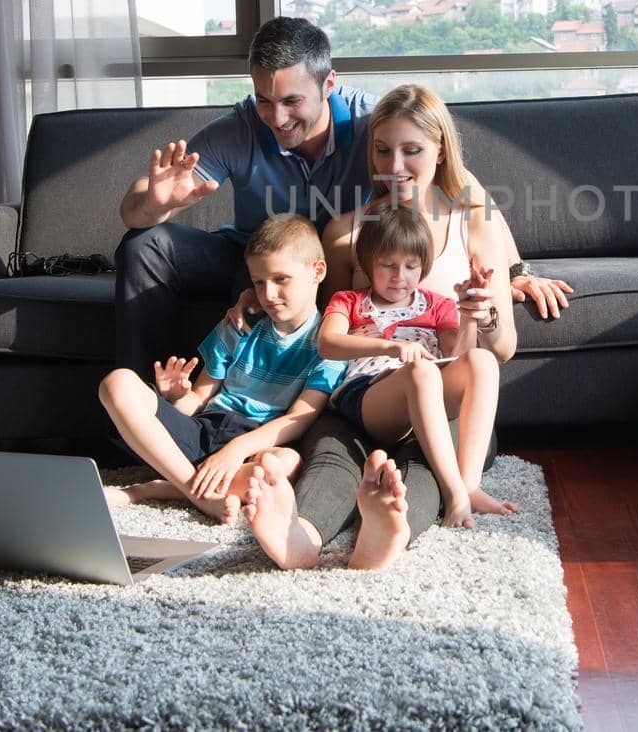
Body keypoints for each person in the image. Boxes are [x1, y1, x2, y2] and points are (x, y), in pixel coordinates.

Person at [114, 16, 572, 375]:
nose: (276, 117)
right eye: (264, 100)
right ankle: (145, 402)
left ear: (329, 84)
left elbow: (465, 192)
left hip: (330, 257)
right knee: (144, 242)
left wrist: (515, 270)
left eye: (292, 101)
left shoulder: (377, 126)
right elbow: (133, 207)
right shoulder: (240, 128)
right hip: (253, 253)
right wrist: (157, 202)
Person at [242, 83, 519, 571]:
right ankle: (300, 537)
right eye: (382, 150)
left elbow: (502, 349)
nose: (394, 167)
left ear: (440, 151)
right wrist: (260, 295)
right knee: (331, 455)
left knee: (427, 470)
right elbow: (321, 327)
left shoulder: (475, 223)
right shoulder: (346, 232)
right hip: (366, 392)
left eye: (412, 151)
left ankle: (384, 534)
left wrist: (483, 315)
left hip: (450, 400)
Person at [98, 215, 345, 523]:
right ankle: (197, 493)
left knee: (284, 465)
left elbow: (300, 417)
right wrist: (174, 399)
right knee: (118, 382)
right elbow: (200, 396)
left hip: (256, 442)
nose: (267, 294)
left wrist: (236, 450)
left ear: (317, 271)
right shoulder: (239, 325)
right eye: (258, 282)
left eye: (281, 279)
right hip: (205, 429)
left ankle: (153, 488)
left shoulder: (329, 344)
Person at [318, 206, 506, 530]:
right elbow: (327, 343)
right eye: (387, 265)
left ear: (423, 266)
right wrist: (391, 346)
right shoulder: (349, 300)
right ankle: (454, 493)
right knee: (421, 372)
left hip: (428, 392)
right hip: (370, 397)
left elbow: (459, 356)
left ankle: (470, 484)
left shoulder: (436, 305)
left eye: (410, 267)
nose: (399, 277)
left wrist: (469, 315)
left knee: (482, 360)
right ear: (366, 263)